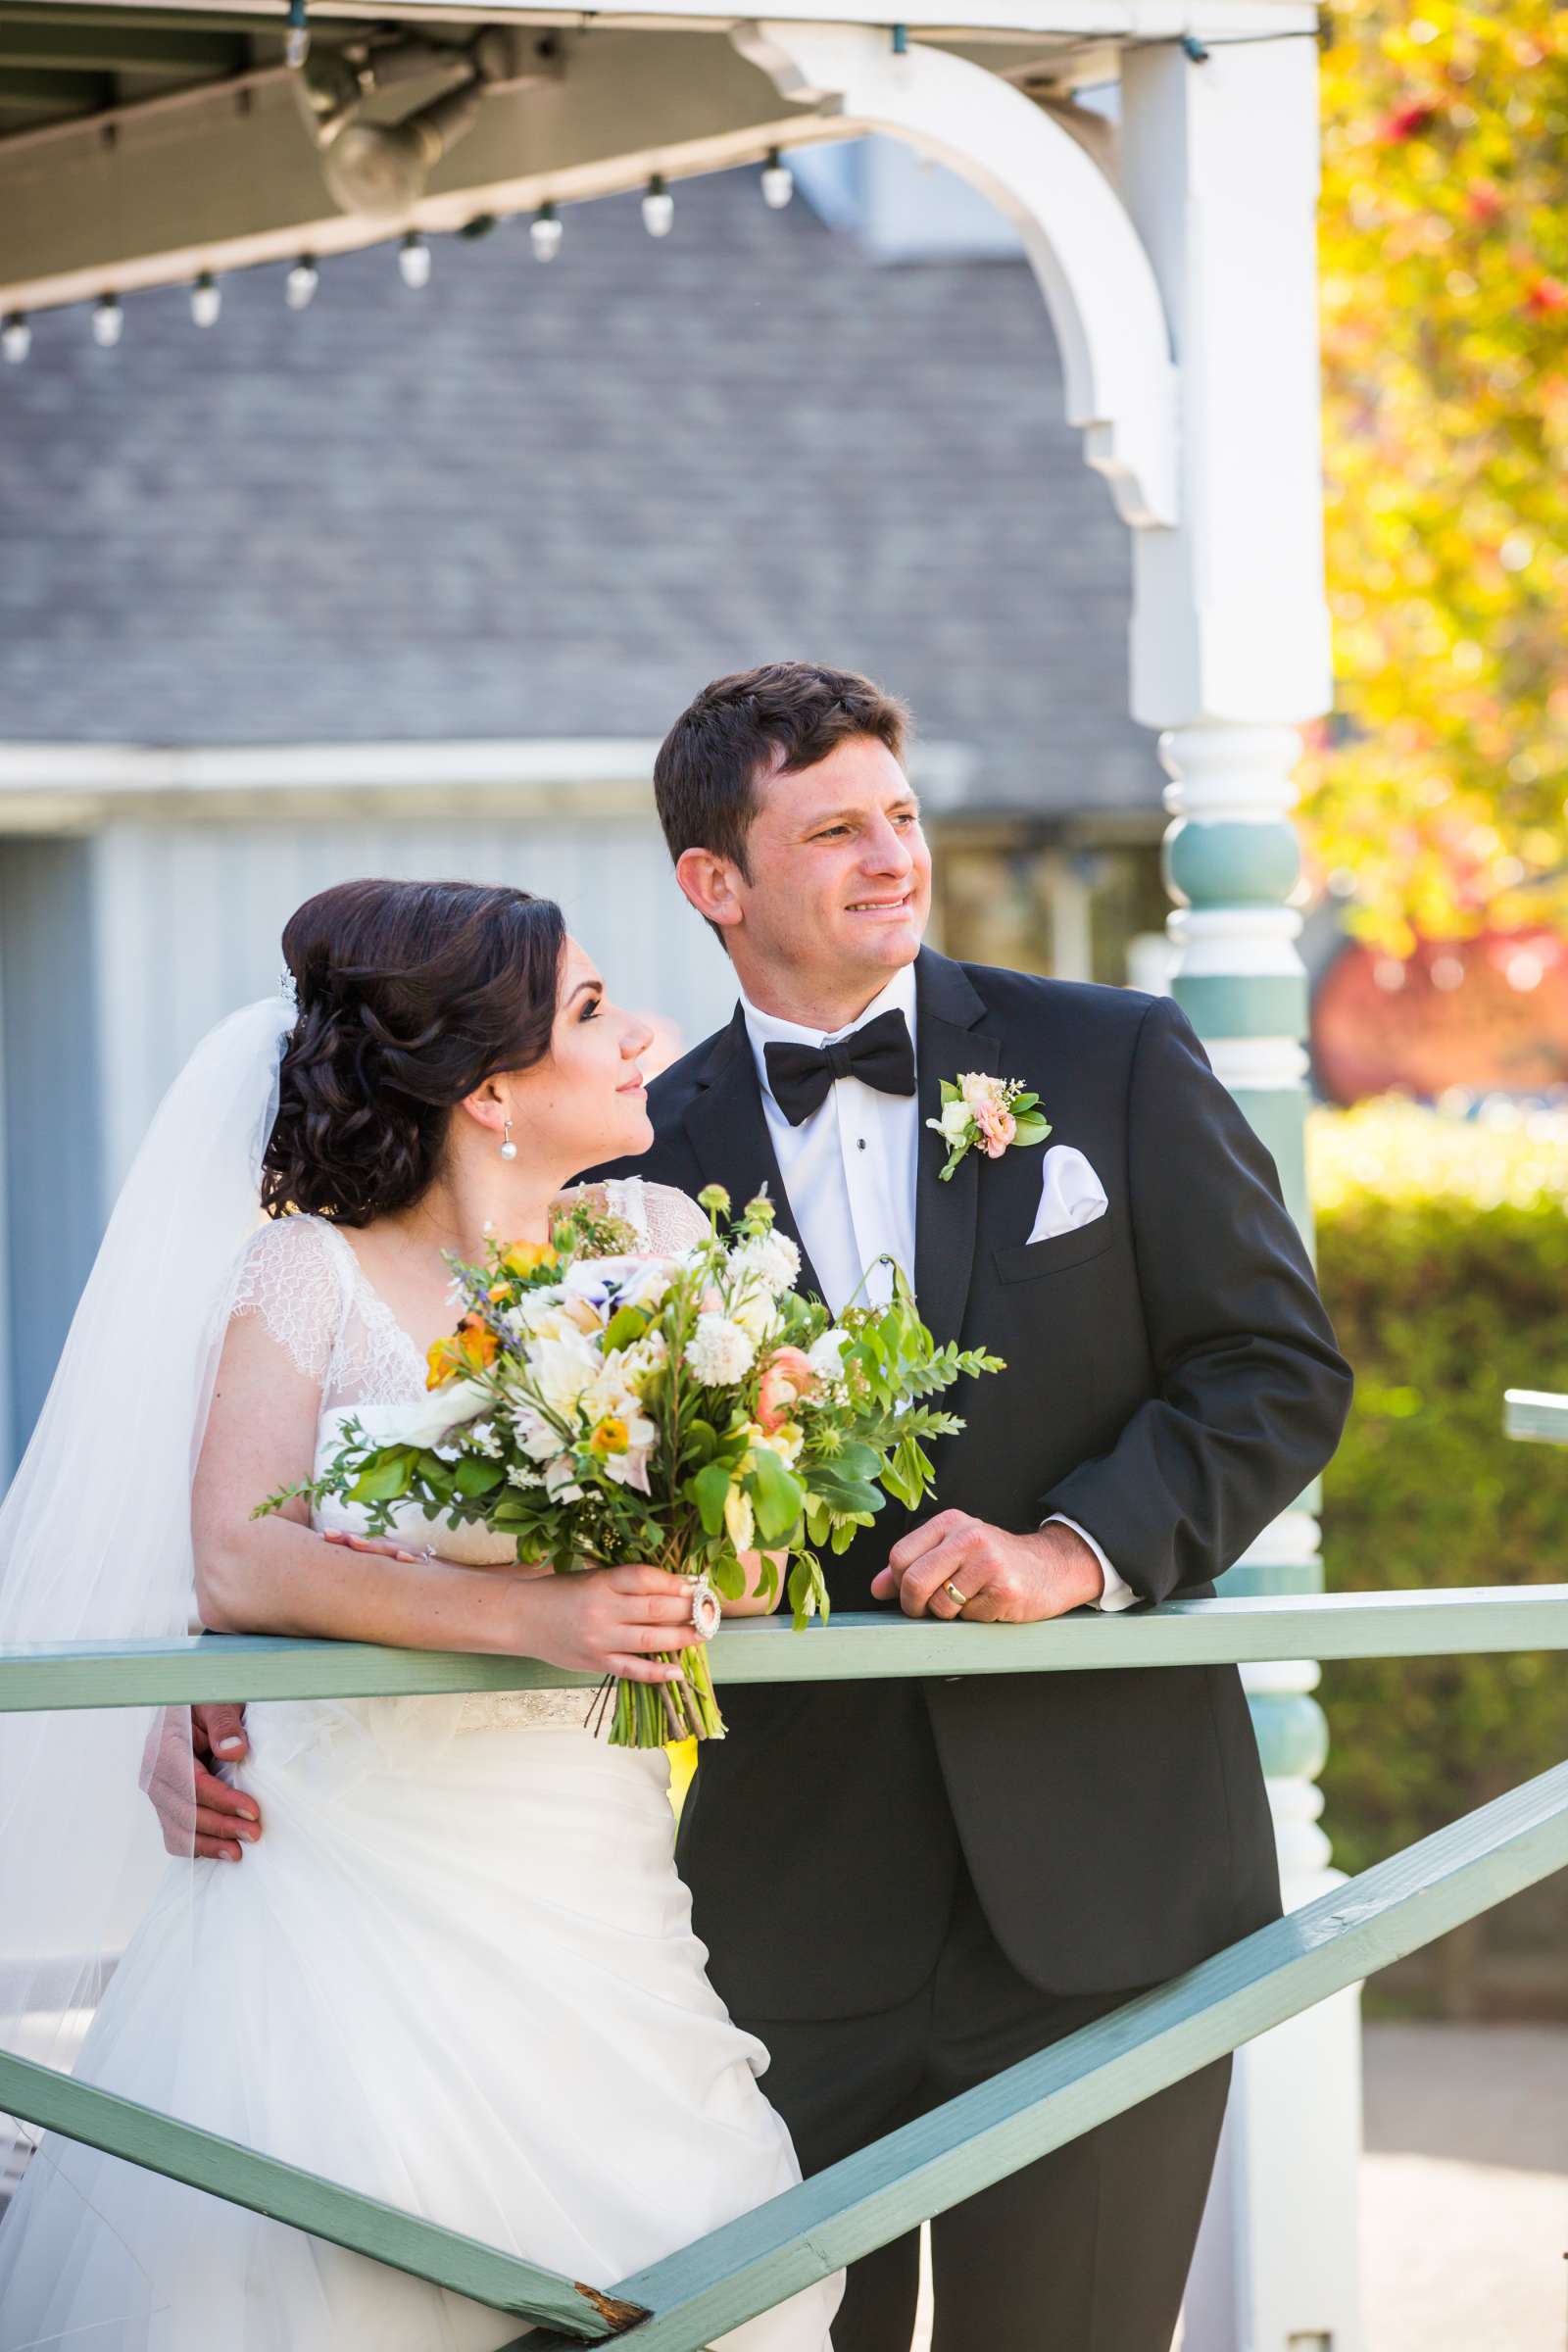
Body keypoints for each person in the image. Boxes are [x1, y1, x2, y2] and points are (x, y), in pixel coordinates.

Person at [582, 662, 1355, 2352]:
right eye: (835, 829)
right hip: (783, 1922)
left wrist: (1069, 1551)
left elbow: (1274, 1371)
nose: (892, 856)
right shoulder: (629, 1156)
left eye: (902, 815)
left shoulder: (1115, 1057)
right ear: (714, 883)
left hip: (1111, 1897)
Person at [0, 876, 840, 2352]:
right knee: (325, 2282)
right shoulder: (306, 1270)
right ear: (494, 1090)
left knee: (708, 2279)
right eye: (590, 1010)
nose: (643, 1031)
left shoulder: (653, 1244)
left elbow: (757, 1541)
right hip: (336, 1885)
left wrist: (724, 1552)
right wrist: (543, 1619)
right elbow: (241, 1564)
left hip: (590, 1878)